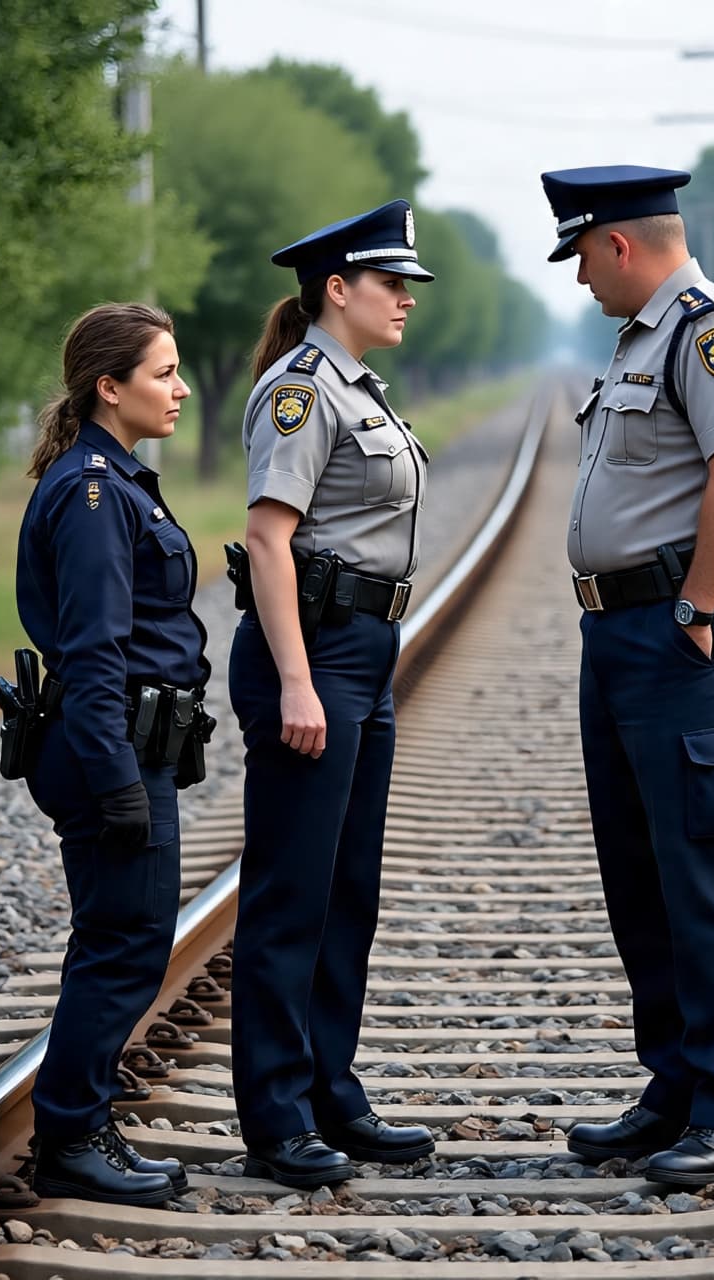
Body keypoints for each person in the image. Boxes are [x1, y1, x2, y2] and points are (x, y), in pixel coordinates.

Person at [539, 165, 714, 1186]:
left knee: (699, 870)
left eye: (583, 256)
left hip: (674, 633)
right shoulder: (639, 336)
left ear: (619, 245)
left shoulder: (705, 328)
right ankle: (673, 1085)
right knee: (639, 871)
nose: (581, 280)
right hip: (618, 635)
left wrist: (695, 609)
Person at [228, 199, 437, 1189]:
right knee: (289, 893)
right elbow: (269, 540)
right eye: (389, 282)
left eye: (407, 285)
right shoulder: (300, 392)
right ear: (336, 289)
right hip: (308, 653)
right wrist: (298, 683)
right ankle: (276, 1115)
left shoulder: (359, 386)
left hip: (363, 649)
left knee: (346, 885)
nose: (404, 298)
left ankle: (329, 1090)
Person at [15, 302, 210, 1205]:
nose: (180, 388)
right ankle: (70, 1137)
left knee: (122, 938)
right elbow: (94, 657)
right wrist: (119, 782)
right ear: (109, 387)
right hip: (110, 747)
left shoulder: (114, 478)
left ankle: (82, 1123)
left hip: (129, 740)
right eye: (163, 372)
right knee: (124, 945)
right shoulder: (94, 492)